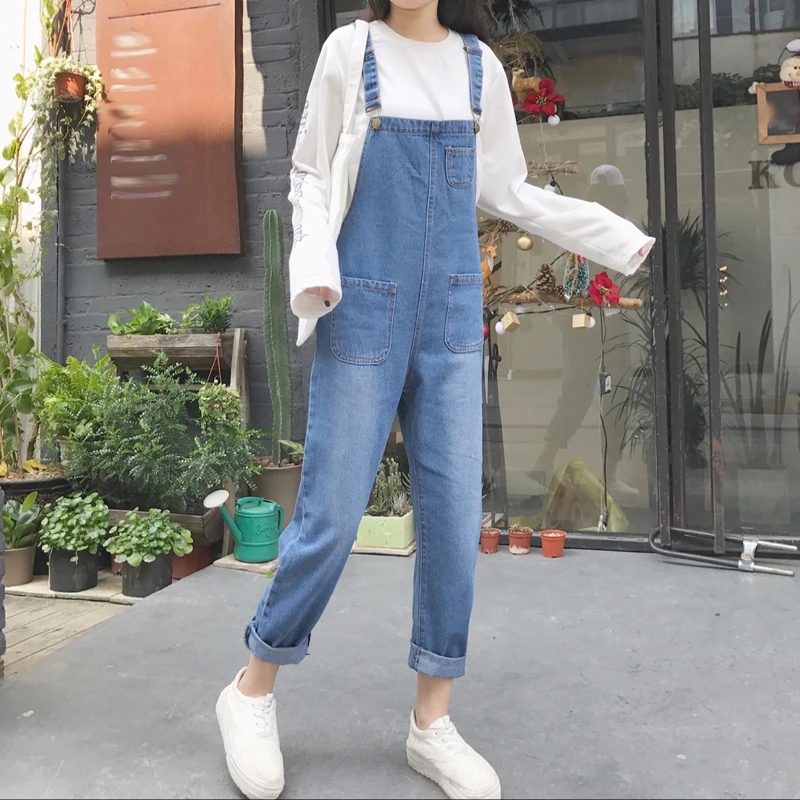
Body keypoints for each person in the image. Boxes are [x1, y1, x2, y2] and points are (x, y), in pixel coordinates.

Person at [215, 2, 654, 799]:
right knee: (330, 518)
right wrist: (312, 270)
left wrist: (610, 237)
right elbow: (310, 175)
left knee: (453, 525)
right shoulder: (351, 51)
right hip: (361, 312)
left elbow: (508, 189)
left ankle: (431, 721)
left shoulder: (479, 68)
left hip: (451, 319)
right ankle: (250, 689)